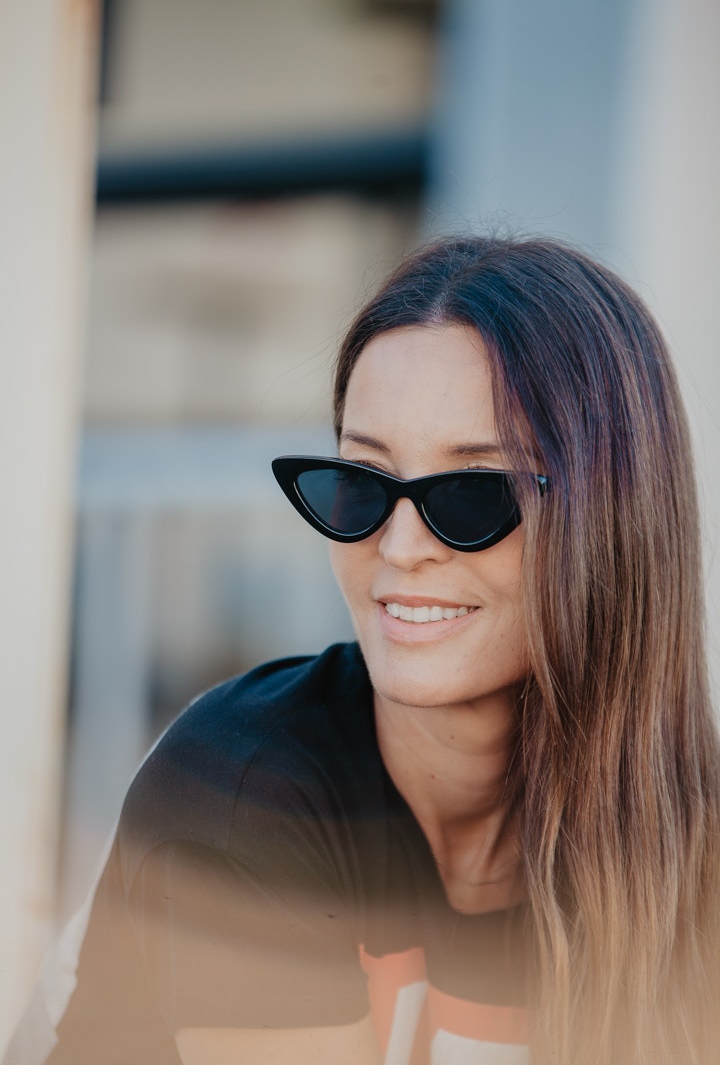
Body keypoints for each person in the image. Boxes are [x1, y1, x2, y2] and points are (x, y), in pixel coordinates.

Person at [5, 235, 720, 1065]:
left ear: (614, 521)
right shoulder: (241, 784)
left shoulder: (689, 838)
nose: (400, 547)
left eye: (474, 492)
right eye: (363, 481)